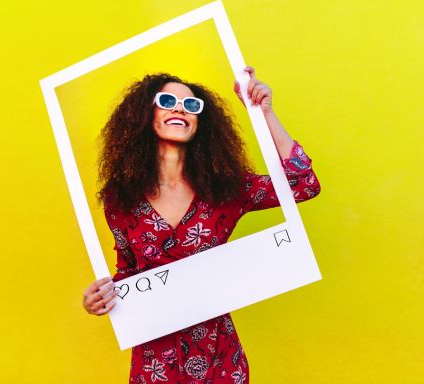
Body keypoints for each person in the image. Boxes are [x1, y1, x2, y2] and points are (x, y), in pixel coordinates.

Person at [82, 66, 321, 383]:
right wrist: (100, 298)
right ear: (145, 114)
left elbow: (303, 184)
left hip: (219, 356)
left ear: (200, 123)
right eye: (167, 101)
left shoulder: (225, 190)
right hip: (155, 362)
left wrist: (264, 113)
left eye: (191, 105)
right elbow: (128, 273)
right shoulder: (120, 199)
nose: (180, 109)